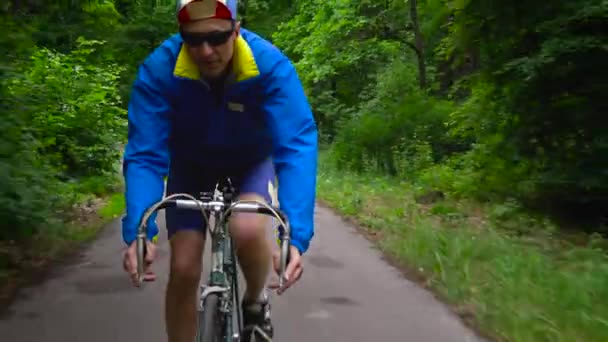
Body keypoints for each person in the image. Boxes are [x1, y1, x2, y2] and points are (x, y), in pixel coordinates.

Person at [119, 0, 318, 341]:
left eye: (217, 37)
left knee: (247, 228)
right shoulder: (159, 70)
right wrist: (140, 232)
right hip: (191, 165)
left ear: (236, 30)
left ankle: (255, 301)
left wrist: (295, 236)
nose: (206, 51)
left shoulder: (268, 65)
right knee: (182, 267)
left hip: (251, 161)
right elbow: (145, 155)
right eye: (193, 40)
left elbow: (296, 145)